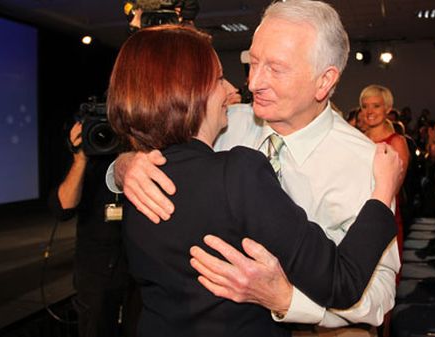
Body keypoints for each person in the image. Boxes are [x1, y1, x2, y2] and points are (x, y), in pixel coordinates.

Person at [108, 1, 401, 335]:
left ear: (324, 81)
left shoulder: (367, 163)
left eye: (275, 69)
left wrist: (286, 300)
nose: (252, 82)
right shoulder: (223, 121)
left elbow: (379, 293)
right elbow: (168, 151)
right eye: (252, 62)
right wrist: (125, 165)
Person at [49, 122, 140, 337]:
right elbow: (62, 208)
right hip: (97, 271)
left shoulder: (145, 148)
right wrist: (80, 158)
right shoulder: (88, 151)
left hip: (139, 266)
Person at [359, 85, 410, 262]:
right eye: (365, 106)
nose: (369, 111)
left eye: (376, 105)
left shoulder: (397, 142)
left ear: (388, 109)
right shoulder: (356, 139)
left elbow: (394, 187)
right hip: (354, 214)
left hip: (384, 215)